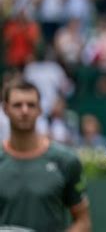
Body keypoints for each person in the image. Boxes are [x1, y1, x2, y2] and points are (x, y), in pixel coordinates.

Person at [0, 79, 91, 232]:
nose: (24, 111)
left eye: (31, 104)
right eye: (17, 105)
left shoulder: (66, 161)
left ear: (40, 109)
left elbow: (83, 221)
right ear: (5, 109)